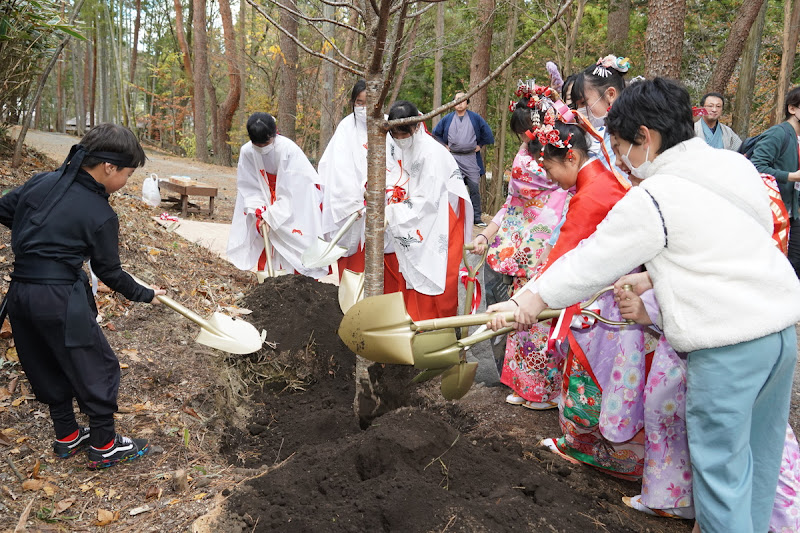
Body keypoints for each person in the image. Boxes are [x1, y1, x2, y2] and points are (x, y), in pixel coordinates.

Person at [487, 78, 800, 533]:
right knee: (760, 460)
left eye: (618, 145)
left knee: (722, 478)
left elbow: (592, 258)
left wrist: (529, 297)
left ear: (645, 137)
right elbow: (726, 241)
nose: (618, 160)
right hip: (779, 335)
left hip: (727, 345)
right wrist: (654, 275)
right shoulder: (734, 167)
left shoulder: (656, 195)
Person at [0, 124, 165, 469]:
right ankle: (105, 445)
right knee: (96, 365)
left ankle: (67, 435)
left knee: (43, 360)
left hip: (21, 293)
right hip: (60, 298)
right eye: (128, 175)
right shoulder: (101, 213)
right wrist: (147, 294)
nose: (126, 183)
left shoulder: (42, 182)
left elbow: (5, 210)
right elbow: (110, 272)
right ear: (109, 167)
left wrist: (39, 237)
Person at [472, 86, 569, 409]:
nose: (523, 142)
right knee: (520, 320)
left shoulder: (561, 158)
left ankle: (543, 389)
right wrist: (487, 234)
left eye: (526, 134)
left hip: (545, 238)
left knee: (540, 317)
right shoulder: (526, 154)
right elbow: (511, 202)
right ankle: (522, 383)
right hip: (516, 240)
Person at [385, 100, 473, 320]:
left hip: (441, 219)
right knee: (409, 278)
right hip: (415, 216)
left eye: (405, 133)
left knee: (440, 278)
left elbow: (427, 200)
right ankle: (412, 328)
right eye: (396, 134)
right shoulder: (395, 145)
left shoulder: (431, 153)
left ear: (416, 127)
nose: (401, 139)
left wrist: (393, 212)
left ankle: (439, 335)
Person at [227, 112, 327, 278]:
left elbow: (293, 191)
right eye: (257, 144)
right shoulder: (247, 152)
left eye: (266, 142)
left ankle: (296, 280)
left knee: (295, 241)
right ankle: (268, 280)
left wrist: (272, 216)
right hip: (266, 199)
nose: (263, 147)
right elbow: (249, 186)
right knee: (266, 237)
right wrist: (260, 212)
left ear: (274, 134)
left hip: (296, 202)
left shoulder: (288, 150)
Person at [319, 80, 368, 279]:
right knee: (353, 257)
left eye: (368, 103)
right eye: (359, 102)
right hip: (354, 205)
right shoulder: (346, 127)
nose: (363, 108)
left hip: (383, 204)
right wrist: (355, 198)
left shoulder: (387, 124)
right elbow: (338, 168)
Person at [751, 86, 800, 279]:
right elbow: (756, 166)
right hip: (776, 213)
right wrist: (790, 176)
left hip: (794, 210)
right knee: (786, 265)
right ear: (792, 109)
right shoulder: (778, 133)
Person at [432, 92, 494, 227]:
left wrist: (480, 145)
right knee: (452, 189)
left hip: (471, 157)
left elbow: (487, 133)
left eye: (462, 100)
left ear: (467, 103)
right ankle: (452, 217)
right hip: (453, 157)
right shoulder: (447, 119)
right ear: (453, 103)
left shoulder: (475, 118)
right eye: (457, 100)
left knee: (474, 188)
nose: (459, 103)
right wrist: (444, 146)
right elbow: (435, 134)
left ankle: (476, 218)